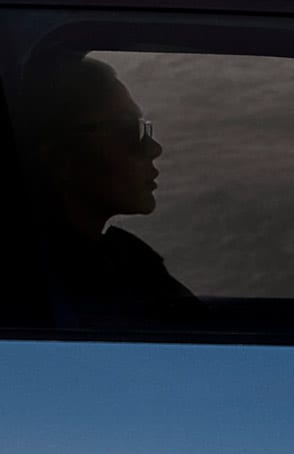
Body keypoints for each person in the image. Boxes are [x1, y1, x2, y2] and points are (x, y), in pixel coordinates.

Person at [18, 53, 197, 327]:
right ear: (59, 158)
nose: (154, 148)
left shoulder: (126, 263)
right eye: (128, 131)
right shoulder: (50, 287)